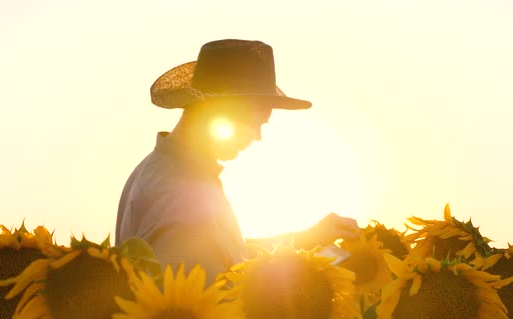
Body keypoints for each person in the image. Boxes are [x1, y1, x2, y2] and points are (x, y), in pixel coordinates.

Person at [115, 39, 359, 284]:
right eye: (254, 122)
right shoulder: (182, 198)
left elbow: (228, 254)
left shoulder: (161, 168)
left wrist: (307, 239)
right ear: (220, 112)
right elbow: (211, 306)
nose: (257, 136)